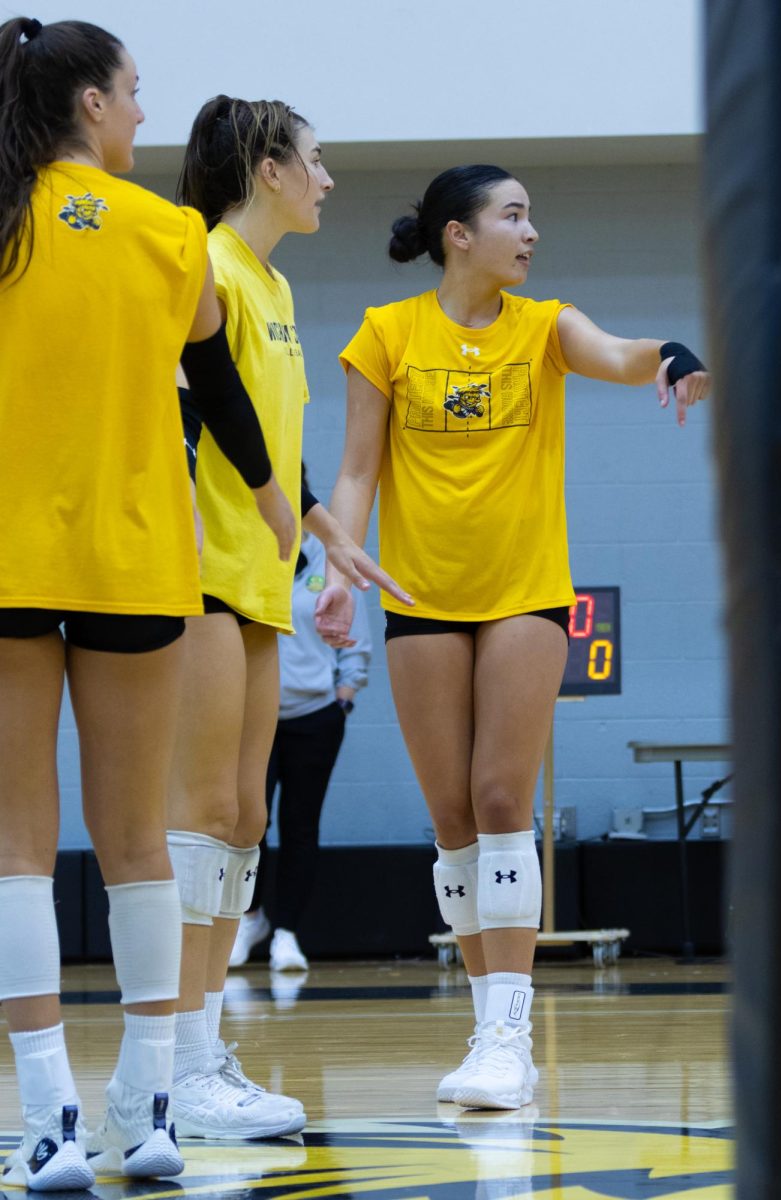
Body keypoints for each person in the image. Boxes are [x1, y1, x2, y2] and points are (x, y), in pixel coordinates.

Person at [321, 164, 710, 1111]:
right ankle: (483, 1015)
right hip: (419, 598)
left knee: (501, 794)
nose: (531, 233)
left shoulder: (546, 326)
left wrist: (672, 356)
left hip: (525, 595)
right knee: (451, 816)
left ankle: (508, 1033)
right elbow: (358, 475)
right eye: (513, 216)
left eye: (530, 216)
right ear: (460, 234)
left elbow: (619, 353)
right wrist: (338, 570)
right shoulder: (386, 334)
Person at [0, 17, 296, 1192]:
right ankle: (155, 1113)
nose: (139, 114)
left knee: (19, 852)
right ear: (88, 106)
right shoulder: (173, 234)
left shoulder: (7, 219)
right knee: (137, 850)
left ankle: (45, 1125)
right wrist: (278, 499)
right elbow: (217, 385)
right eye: (131, 95)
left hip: (12, 556)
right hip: (137, 560)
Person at [166, 95, 411, 1141]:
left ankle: (204, 1048)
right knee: (199, 818)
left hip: (263, 581)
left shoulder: (270, 282)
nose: (325, 178)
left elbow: (263, 438)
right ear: (266, 168)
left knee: (243, 819)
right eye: (314, 161)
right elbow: (182, 419)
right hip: (198, 575)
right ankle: (171, 1061)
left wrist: (326, 532)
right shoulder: (207, 265)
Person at [231, 483, 372, 972]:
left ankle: (287, 932)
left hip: (315, 716)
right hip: (254, 717)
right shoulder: (246, 551)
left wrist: (343, 700)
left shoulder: (329, 561)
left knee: (300, 826)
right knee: (249, 823)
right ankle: (250, 919)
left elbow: (356, 642)